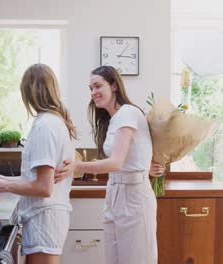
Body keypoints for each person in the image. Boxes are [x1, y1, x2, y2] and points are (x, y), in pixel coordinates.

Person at [55, 65, 165, 264]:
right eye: (90, 88)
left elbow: (115, 163)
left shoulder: (129, 113)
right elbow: (132, 156)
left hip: (135, 197)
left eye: (98, 86)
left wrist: (76, 166)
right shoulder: (114, 119)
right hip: (114, 192)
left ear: (114, 85)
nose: (93, 93)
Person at [0, 64, 76, 264]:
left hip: (45, 219)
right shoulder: (54, 122)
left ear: (28, 93)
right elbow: (36, 179)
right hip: (47, 217)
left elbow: (43, 187)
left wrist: (3, 185)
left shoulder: (45, 126)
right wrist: (0, 179)